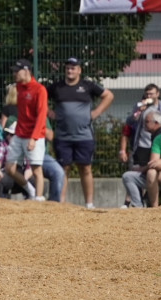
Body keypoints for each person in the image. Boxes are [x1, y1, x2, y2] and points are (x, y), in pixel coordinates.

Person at [47, 58, 113, 208]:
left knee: (86, 168)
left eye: (73, 68)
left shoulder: (88, 86)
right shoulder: (57, 87)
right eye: (68, 68)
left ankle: (89, 204)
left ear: (79, 70)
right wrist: (48, 112)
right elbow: (41, 96)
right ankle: (61, 203)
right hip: (63, 136)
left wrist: (96, 112)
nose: (70, 71)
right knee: (63, 169)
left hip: (84, 136)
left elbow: (109, 96)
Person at [5, 59, 48, 201]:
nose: (14, 74)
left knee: (36, 169)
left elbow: (41, 115)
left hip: (34, 135)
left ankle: (39, 198)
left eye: (17, 71)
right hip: (19, 134)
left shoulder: (40, 89)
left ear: (27, 71)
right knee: (9, 168)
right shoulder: (19, 87)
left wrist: (34, 138)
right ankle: (31, 190)